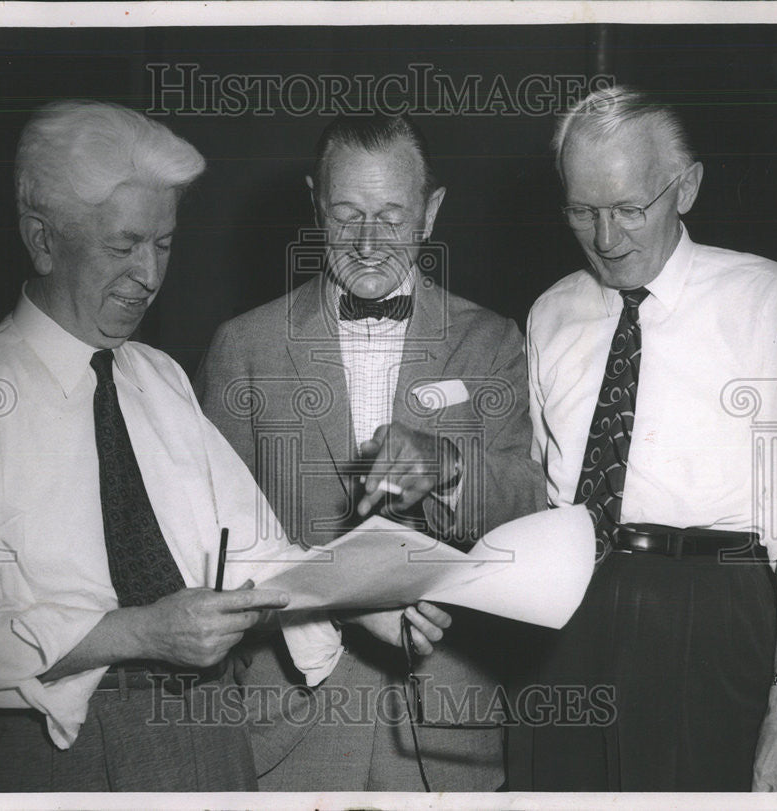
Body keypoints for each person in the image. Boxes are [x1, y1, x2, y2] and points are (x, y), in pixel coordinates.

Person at [0, 99, 343, 792]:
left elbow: (262, 553)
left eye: (163, 244)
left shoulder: (159, 377)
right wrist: (143, 632)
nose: (150, 275)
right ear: (42, 239)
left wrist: (375, 588)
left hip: (211, 742)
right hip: (58, 756)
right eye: (123, 246)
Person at [509, 85, 777, 792]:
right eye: (582, 210)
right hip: (570, 620)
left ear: (685, 187)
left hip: (713, 620)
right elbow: (536, 497)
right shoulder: (548, 313)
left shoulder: (765, 297)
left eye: (631, 208)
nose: (606, 238)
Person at [196, 112, 544, 791]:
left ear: (431, 212)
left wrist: (447, 467)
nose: (366, 242)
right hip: (287, 728)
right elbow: (206, 552)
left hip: (447, 738)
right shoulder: (243, 347)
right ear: (314, 204)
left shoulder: (492, 341)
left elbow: (531, 510)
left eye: (391, 215)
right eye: (346, 213)